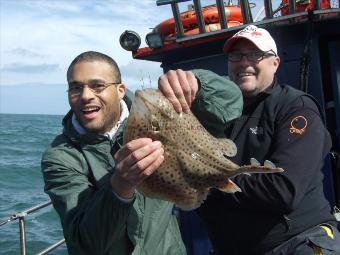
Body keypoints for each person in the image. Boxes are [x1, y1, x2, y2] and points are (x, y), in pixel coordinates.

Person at [158, 25, 340, 255]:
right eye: (236, 56)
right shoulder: (211, 115)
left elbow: (282, 191)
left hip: (296, 244)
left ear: (275, 63)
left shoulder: (295, 108)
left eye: (255, 55)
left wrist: (203, 177)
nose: (244, 62)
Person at [41, 51, 242, 255]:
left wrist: (197, 82)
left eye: (98, 86)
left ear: (120, 90)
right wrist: (119, 186)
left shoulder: (159, 110)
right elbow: (85, 243)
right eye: (75, 88)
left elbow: (232, 103)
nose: (85, 96)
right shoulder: (61, 157)